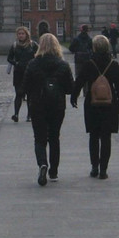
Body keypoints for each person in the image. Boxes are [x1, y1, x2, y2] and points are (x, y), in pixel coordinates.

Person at [22, 33, 75, 186]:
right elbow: (70, 88)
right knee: (54, 137)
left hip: (37, 104)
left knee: (39, 138)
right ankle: (54, 171)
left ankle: (42, 163)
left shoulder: (33, 64)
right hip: (57, 105)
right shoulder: (63, 65)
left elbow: (25, 87)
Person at [72, 34, 119, 179]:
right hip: (109, 103)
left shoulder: (89, 64)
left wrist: (74, 96)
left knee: (93, 136)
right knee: (106, 137)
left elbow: (79, 81)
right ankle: (103, 169)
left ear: (94, 47)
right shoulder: (113, 64)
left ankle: (94, 167)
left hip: (92, 103)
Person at [7, 26, 37, 122]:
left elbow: (39, 55)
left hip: (30, 72)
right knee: (19, 94)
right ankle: (16, 114)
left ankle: (29, 115)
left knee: (30, 95)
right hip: (18, 72)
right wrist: (16, 63)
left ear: (26, 34)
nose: (21, 35)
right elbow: (9, 58)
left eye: (22, 34)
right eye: (19, 34)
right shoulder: (15, 45)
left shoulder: (33, 45)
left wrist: (34, 63)